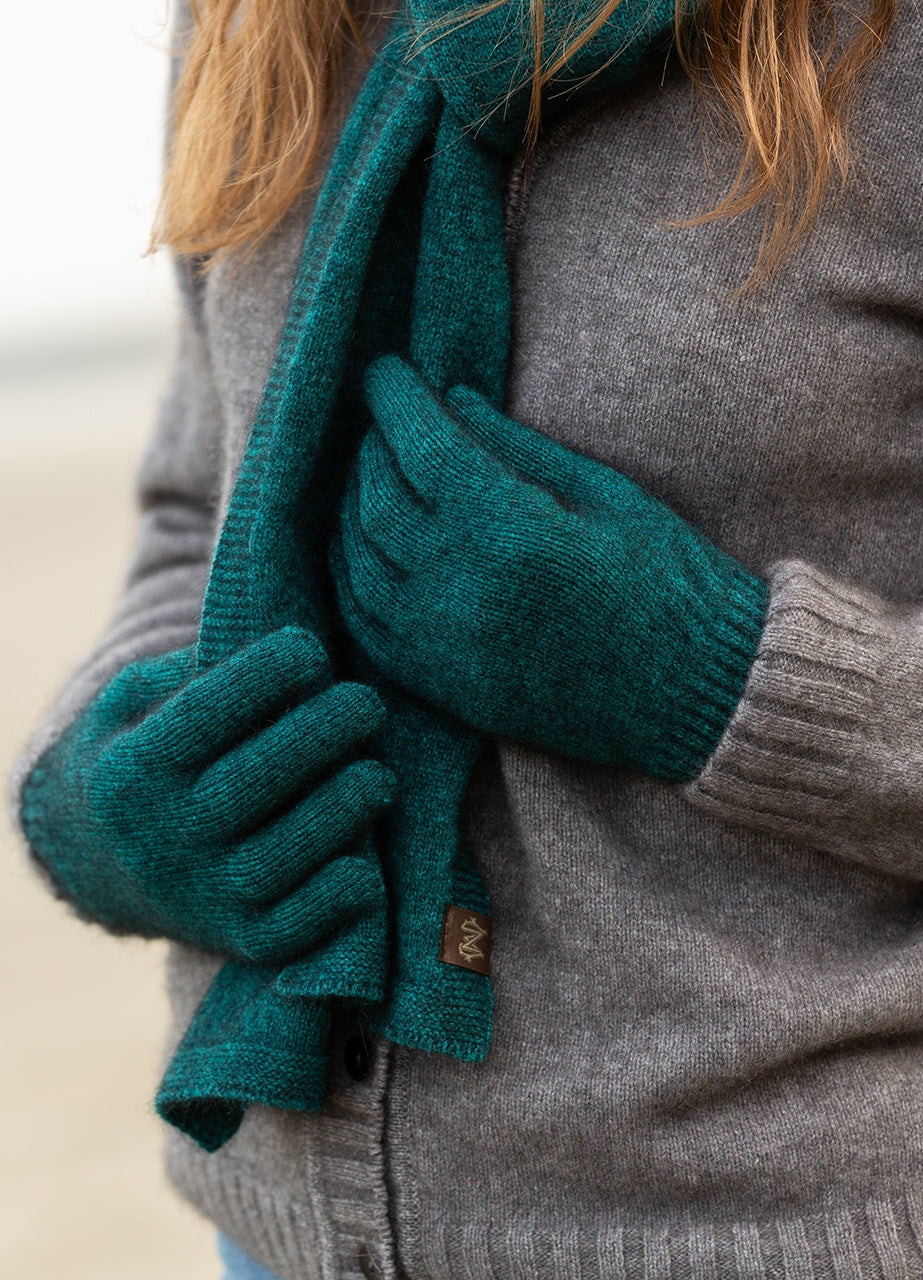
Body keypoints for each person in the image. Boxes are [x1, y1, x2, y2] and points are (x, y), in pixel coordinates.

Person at [12, 0, 923, 1276]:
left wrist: (704, 671)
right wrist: (107, 794)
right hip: (286, 1229)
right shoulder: (256, 25)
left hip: (766, 1226)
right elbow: (195, 507)